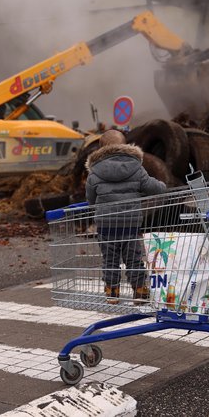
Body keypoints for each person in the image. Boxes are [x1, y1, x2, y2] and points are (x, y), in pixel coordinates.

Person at [85, 130, 166, 304]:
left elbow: (91, 201)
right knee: (134, 259)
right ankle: (139, 291)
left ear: (101, 149)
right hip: (130, 223)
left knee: (110, 260)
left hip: (106, 224)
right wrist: (162, 185)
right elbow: (155, 188)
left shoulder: (94, 172)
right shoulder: (136, 167)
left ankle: (112, 292)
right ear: (125, 146)